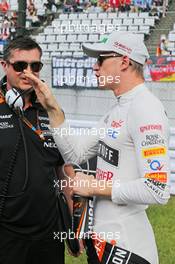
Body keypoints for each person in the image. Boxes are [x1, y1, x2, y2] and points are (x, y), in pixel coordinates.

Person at [23, 31, 170, 264]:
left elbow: (157, 189)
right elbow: (75, 154)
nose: (95, 67)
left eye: (101, 59)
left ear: (124, 62)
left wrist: (94, 187)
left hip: (127, 248)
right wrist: (52, 108)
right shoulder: (117, 110)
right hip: (104, 243)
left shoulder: (145, 108)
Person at [0, 36, 65, 264]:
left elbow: (63, 167)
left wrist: (72, 224)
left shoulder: (51, 109)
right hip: (7, 235)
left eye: (35, 66)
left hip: (48, 233)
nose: (28, 72)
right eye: (20, 66)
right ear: (4, 65)